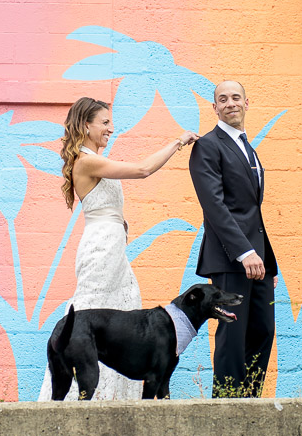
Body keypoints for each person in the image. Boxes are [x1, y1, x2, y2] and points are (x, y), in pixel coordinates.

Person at [38, 96, 199, 401]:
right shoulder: (87, 161)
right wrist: (178, 141)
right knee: (91, 313)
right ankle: (81, 397)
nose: (111, 128)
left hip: (112, 246)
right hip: (101, 248)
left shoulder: (91, 159)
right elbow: (142, 170)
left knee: (122, 319)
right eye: (105, 122)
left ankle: (115, 399)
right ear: (86, 125)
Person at [188, 80, 278, 398]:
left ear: (246, 103)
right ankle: (227, 409)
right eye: (222, 99)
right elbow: (215, 206)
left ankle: (249, 405)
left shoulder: (246, 146)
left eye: (235, 97)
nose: (230, 103)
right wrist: (244, 252)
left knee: (263, 331)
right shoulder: (208, 146)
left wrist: (269, 263)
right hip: (231, 258)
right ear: (215, 108)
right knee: (232, 335)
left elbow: (252, 210)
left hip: (259, 261)